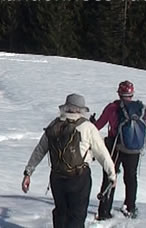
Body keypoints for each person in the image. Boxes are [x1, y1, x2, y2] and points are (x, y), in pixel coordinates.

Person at [22, 94, 116, 228]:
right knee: (77, 215)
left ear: (65, 107)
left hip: (57, 177)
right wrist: (112, 174)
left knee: (61, 213)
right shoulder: (87, 127)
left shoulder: (54, 124)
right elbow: (102, 153)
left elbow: (40, 149)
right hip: (79, 177)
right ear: (81, 109)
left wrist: (28, 172)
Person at [94, 80, 146, 220]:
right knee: (131, 178)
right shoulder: (141, 109)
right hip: (134, 150)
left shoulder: (112, 108)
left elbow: (98, 125)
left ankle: (104, 211)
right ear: (132, 94)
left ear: (119, 93)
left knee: (110, 177)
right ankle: (130, 207)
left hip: (115, 148)